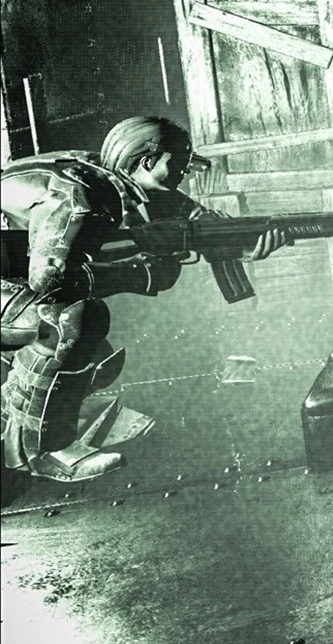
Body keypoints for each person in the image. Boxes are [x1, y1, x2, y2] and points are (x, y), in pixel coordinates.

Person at [0, 117, 286, 482]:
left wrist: (234, 241)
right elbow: (47, 281)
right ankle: (43, 451)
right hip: (24, 275)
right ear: (147, 161)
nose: (183, 173)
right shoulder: (78, 199)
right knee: (66, 322)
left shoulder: (114, 174)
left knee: (95, 353)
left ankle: (14, 411)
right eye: (177, 164)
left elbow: (185, 212)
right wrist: (140, 271)